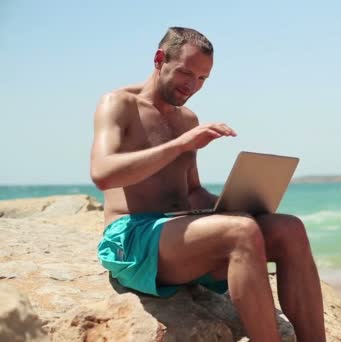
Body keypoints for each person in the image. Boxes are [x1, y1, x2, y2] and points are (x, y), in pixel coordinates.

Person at [90, 27, 326, 341]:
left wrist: (241, 201)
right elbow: (102, 173)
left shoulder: (187, 119)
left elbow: (190, 192)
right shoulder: (119, 103)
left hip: (178, 237)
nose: (192, 86)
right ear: (160, 59)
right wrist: (179, 145)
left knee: (289, 229)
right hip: (131, 239)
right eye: (186, 73)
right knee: (240, 231)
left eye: (202, 79)